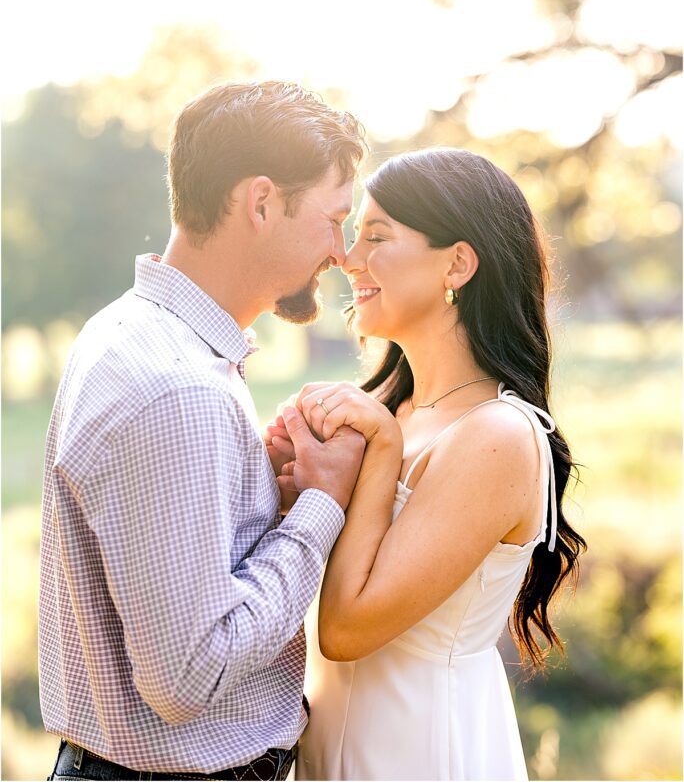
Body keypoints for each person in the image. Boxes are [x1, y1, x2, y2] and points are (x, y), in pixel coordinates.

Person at [39, 81, 369, 782]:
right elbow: (188, 676)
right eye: (332, 218)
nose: (339, 252)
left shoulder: (133, 333)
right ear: (260, 203)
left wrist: (266, 506)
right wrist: (321, 508)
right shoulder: (178, 387)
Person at [266, 147, 586, 782]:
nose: (347, 259)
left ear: (458, 264)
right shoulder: (388, 407)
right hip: (330, 744)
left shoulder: (497, 436)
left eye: (377, 236)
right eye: (354, 234)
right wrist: (287, 485)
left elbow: (348, 628)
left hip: (423, 749)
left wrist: (380, 451)